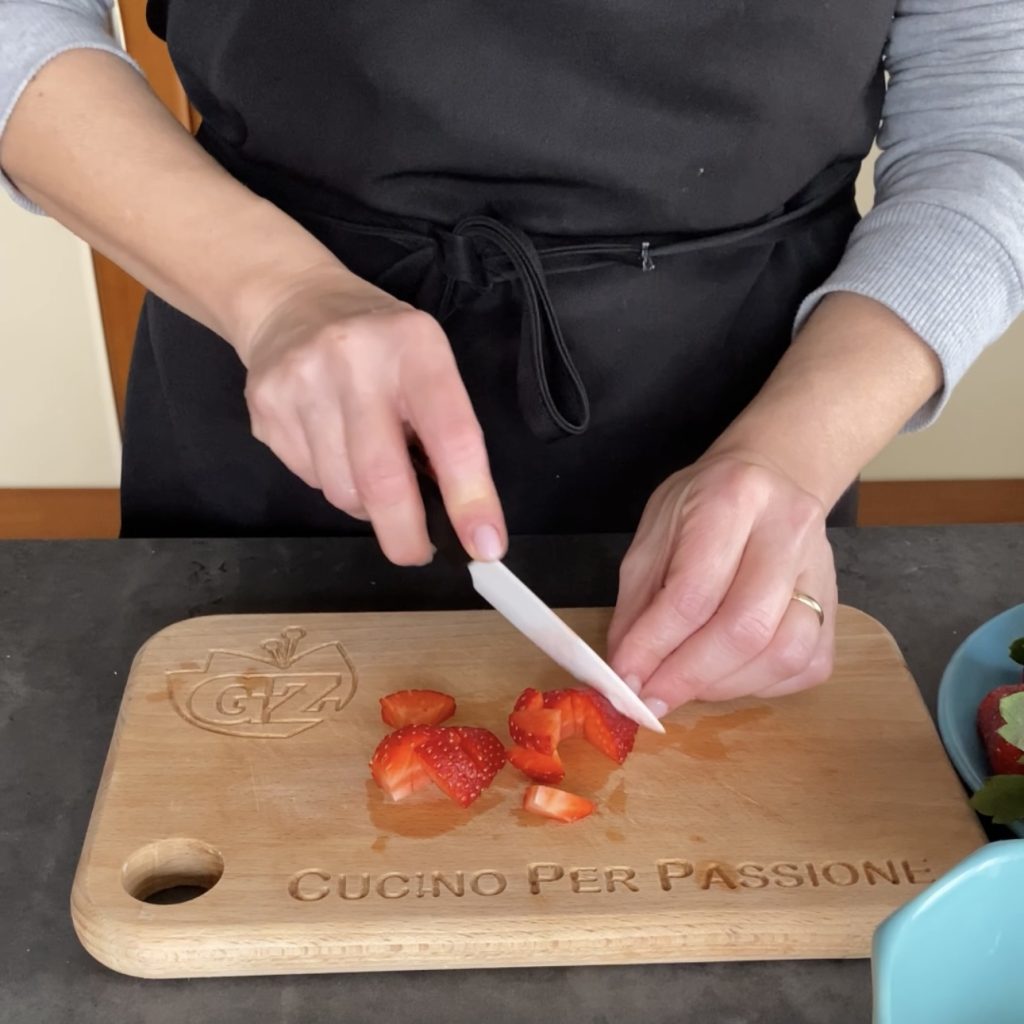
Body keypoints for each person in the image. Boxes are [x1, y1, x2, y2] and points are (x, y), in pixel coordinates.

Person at [2, 1, 1022, 721]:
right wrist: (273, 293)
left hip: (749, 387)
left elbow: (989, 132)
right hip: (265, 369)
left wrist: (798, 450)